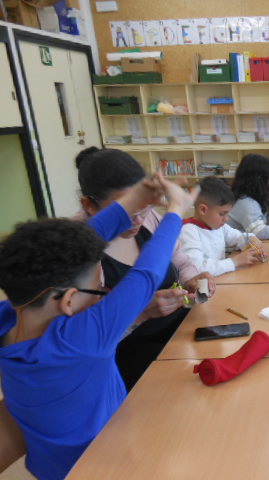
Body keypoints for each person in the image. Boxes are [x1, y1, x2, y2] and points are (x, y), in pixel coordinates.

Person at [0, 174, 198, 480]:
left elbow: (78, 244)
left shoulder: (11, 314)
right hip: (103, 464)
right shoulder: (81, 340)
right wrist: (175, 211)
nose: (102, 295)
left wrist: (138, 196)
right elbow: (146, 274)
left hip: (52, 469)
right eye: (99, 289)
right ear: (68, 300)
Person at [74, 147, 214, 390]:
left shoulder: (149, 220)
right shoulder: (77, 252)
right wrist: (140, 312)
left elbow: (178, 260)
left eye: (145, 208)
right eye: (129, 212)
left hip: (178, 336)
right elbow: (86, 339)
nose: (139, 220)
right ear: (89, 205)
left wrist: (192, 278)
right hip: (132, 360)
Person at [180, 177, 266, 277]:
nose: (226, 219)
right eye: (222, 214)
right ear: (203, 210)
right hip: (202, 284)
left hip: (220, 279)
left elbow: (238, 237)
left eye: (227, 214)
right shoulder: (187, 231)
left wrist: (251, 240)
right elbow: (197, 269)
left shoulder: (219, 226)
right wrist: (235, 262)